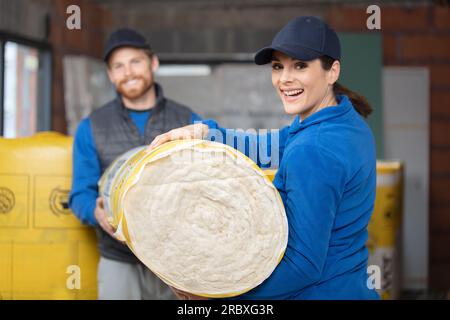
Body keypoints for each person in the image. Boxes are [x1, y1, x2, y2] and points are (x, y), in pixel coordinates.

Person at [148, 16, 380, 300]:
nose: (285, 79)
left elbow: (303, 266)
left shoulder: (314, 149)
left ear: (332, 72)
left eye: (300, 66)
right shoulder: (345, 122)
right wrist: (206, 134)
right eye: (278, 66)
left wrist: (219, 298)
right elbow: (275, 145)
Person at [69, 28, 203, 300]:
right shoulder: (91, 127)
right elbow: (79, 194)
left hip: (176, 258)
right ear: (110, 74)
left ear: (153, 63)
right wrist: (95, 213)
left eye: (135, 62)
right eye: (118, 66)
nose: (127, 72)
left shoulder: (188, 119)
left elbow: (206, 182)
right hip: (119, 258)